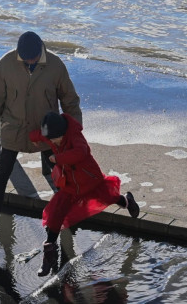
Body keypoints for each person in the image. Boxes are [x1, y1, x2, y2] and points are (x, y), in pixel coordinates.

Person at [0, 31, 83, 243]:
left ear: (40, 50)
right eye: (26, 59)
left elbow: (70, 100)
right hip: (13, 130)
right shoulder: (5, 64)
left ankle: (66, 220)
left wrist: (75, 131)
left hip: (46, 133)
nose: (30, 62)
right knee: (0, 176)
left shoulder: (55, 65)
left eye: (33, 58)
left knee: (61, 179)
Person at [29, 112, 140, 277]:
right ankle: (49, 253)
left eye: (54, 139)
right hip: (70, 186)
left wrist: (58, 158)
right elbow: (39, 136)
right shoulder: (53, 135)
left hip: (90, 179)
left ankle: (127, 201)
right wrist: (29, 136)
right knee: (55, 215)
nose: (51, 142)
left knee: (108, 196)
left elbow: (81, 152)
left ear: (62, 133)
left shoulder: (75, 136)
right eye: (50, 139)